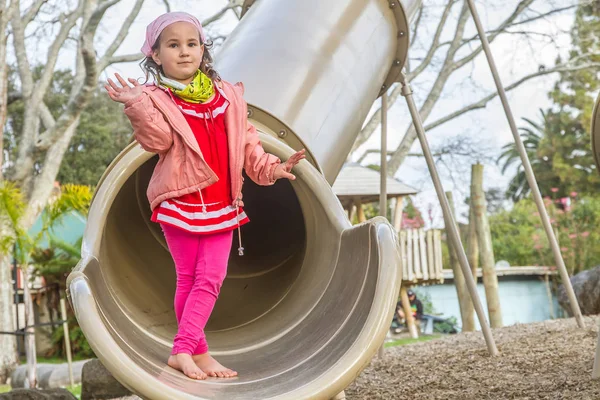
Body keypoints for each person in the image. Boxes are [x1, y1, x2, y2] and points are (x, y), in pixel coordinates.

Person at [105, 12, 305, 381]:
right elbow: (158, 142)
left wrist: (270, 169)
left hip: (223, 203)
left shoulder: (228, 95)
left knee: (209, 278)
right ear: (156, 55)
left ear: (203, 50)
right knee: (191, 278)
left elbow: (247, 143)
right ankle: (186, 351)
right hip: (178, 200)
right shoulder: (156, 97)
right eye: (173, 45)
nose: (184, 52)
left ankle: (194, 352)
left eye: (191, 43)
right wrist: (137, 105)